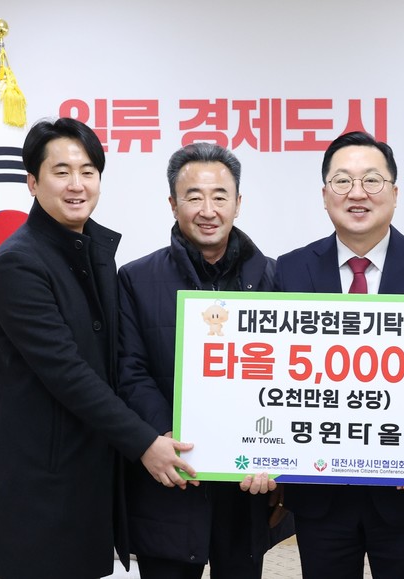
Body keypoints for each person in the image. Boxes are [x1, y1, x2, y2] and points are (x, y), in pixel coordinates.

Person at [0, 118, 194, 579]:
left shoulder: (91, 249)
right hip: (43, 487)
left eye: (88, 171)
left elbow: (118, 361)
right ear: (32, 182)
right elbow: (69, 374)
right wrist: (145, 442)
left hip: (92, 474)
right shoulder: (17, 263)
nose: (77, 185)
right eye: (61, 172)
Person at [274, 131, 404, 579]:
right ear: (325, 195)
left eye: (372, 180)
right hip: (320, 492)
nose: (357, 193)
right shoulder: (289, 270)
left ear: (394, 193)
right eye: (342, 181)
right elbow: (276, 374)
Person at [117, 142, 290, 579]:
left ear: (238, 203)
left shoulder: (276, 279)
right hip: (170, 472)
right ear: (173, 204)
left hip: (246, 483)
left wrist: (276, 452)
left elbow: (291, 377)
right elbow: (129, 369)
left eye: (220, 196)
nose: (208, 210)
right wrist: (164, 436)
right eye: (194, 197)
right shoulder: (136, 278)